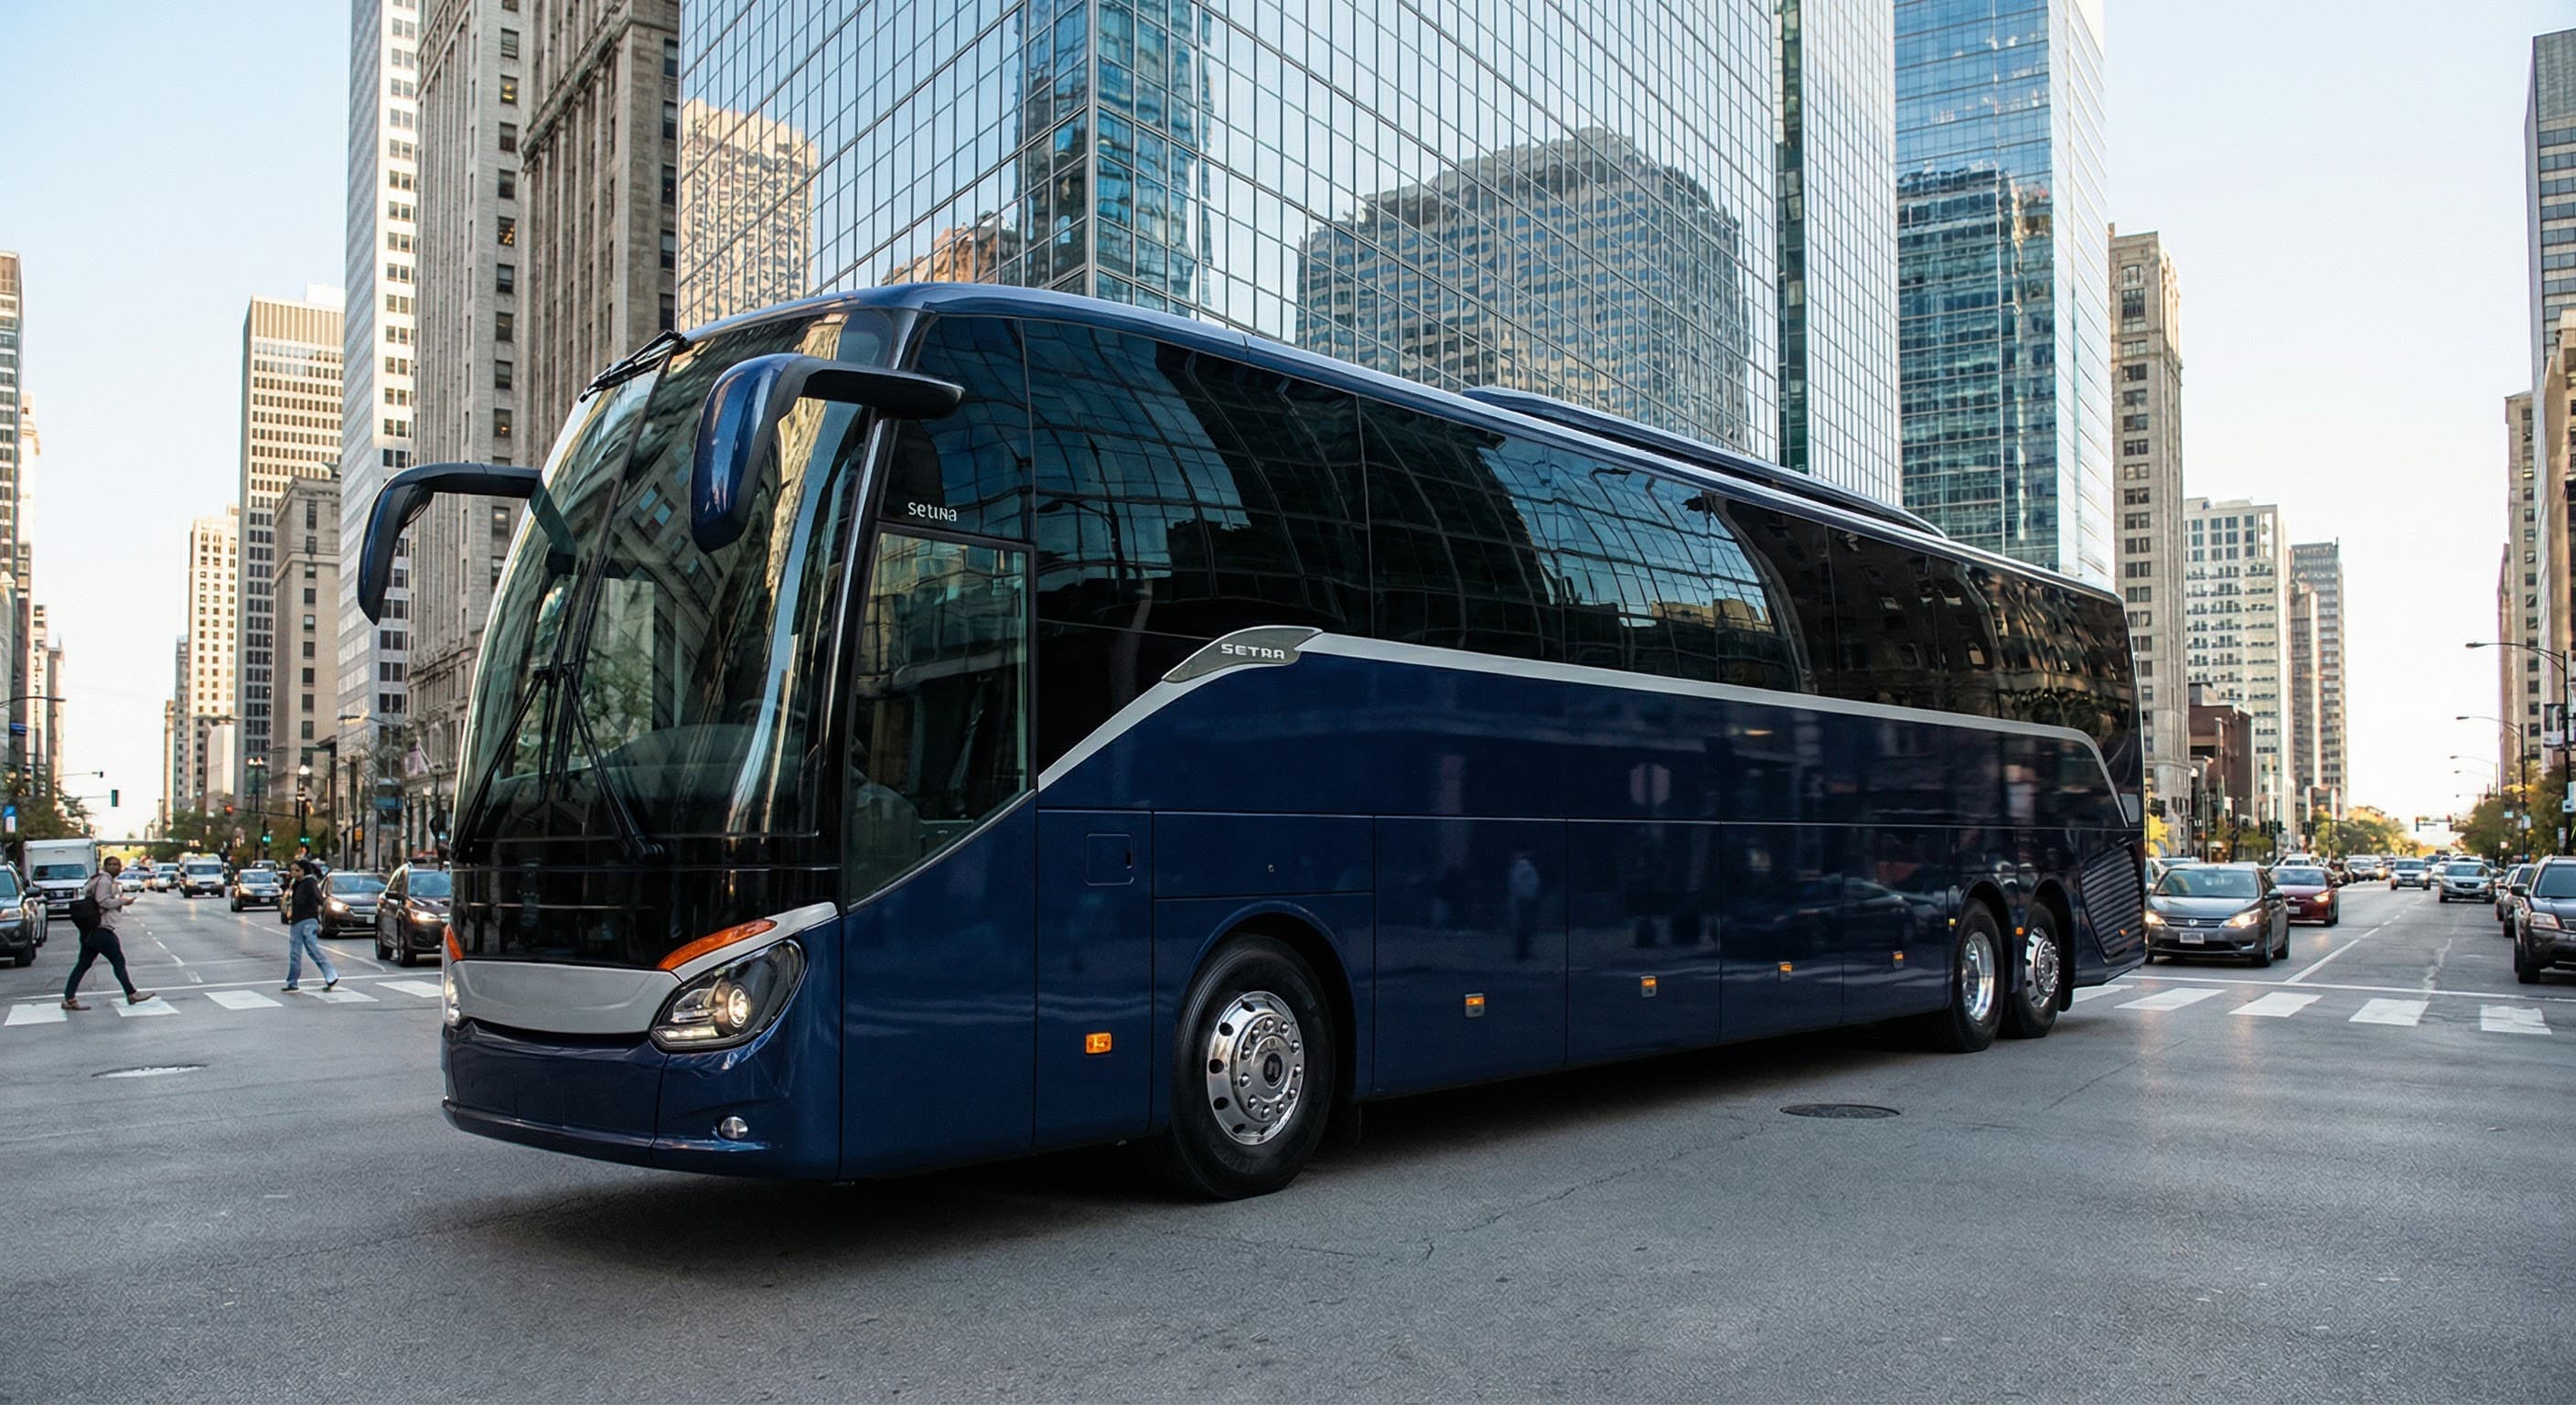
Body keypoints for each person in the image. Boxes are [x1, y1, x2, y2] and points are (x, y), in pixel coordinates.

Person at [61, 856, 152, 1011]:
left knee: (83, 964)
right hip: (101, 929)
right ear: (105, 866)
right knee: (118, 961)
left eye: (116, 864)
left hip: (89, 930)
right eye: (110, 864)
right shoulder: (104, 881)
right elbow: (102, 902)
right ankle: (131, 993)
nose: (114, 867)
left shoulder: (96, 879)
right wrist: (123, 901)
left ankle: (69, 998)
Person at [283, 858, 339, 992]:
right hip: (297, 922)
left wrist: (312, 909)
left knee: (312, 949)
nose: (294, 873)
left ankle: (331, 975)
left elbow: (319, 899)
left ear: (304, 870)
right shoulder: (297, 884)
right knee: (296, 953)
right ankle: (292, 982)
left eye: (297, 870)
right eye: (292, 870)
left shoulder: (309, 883)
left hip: (308, 921)